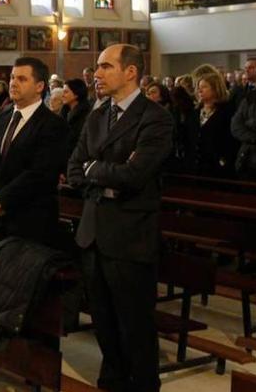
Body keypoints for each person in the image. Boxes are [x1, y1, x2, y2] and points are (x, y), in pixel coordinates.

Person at [67, 44, 173, 392]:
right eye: (97, 67)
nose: (96, 74)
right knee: (103, 322)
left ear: (130, 72)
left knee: (135, 325)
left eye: (105, 67)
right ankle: (111, 382)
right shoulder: (97, 115)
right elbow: (74, 169)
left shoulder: (154, 117)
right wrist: (103, 174)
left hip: (130, 236)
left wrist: (97, 170)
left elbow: (136, 175)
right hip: (94, 231)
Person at [0, 58, 69, 247]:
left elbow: (40, 173)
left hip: (31, 221)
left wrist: (2, 200)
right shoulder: (1, 116)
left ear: (39, 86)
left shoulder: (53, 124)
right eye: (12, 77)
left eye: (22, 79)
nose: (13, 83)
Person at [195, 72, 238, 177]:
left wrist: (223, 160)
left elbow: (231, 139)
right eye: (198, 87)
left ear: (215, 88)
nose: (200, 90)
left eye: (204, 87)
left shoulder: (227, 111)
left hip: (218, 165)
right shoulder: (194, 112)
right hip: (197, 165)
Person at [60, 79, 91, 171]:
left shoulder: (85, 115)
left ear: (76, 94)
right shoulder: (64, 112)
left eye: (66, 92)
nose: (62, 95)